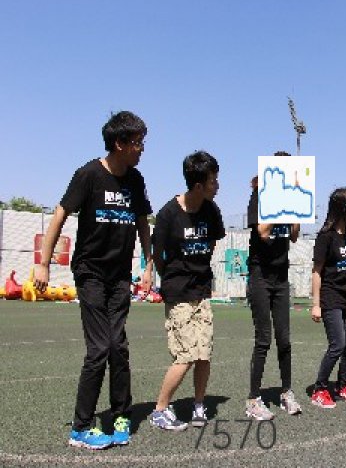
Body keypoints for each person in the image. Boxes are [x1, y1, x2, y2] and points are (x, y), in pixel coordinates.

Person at [33, 111, 153, 449]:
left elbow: (143, 223)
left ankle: (121, 413)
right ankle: (81, 428)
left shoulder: (136, 180)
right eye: (138, 142)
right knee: (99, 347)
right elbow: (59, 215)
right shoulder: (88, 174)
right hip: (91, 273)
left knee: (119, 347)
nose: (142, 149)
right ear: (120, 143)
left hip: (120, 276)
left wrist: (148, 266)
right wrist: (43, 264)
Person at [149, 151, 225, 431]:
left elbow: (211, 244)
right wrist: (172, 279)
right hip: (178, 294)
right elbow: (157, 255)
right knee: (185, 356)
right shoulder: (168, 214)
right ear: (198, 185)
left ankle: (198, 404)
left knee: (204, 354)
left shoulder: (211, 210)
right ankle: (159, 410)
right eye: (213, 181)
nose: (217, 186)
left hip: (201, 292)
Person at [245, 151, 302, 420]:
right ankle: (253, 399)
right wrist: (281, 201)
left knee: (285, 339)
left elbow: (294, 236)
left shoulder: (290, 197)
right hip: (260, 275)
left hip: (281, 277)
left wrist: (297, 206)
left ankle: (286, 392)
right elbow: (264, 232)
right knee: (264, 339)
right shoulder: (259, 196)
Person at [311, 187, 346, 408]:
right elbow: (317, 271)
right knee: (337, 345)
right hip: (330, 297)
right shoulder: (325, 237)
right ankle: (319, 389)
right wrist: (316, 304)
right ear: (342, 206)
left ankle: (342, 386)